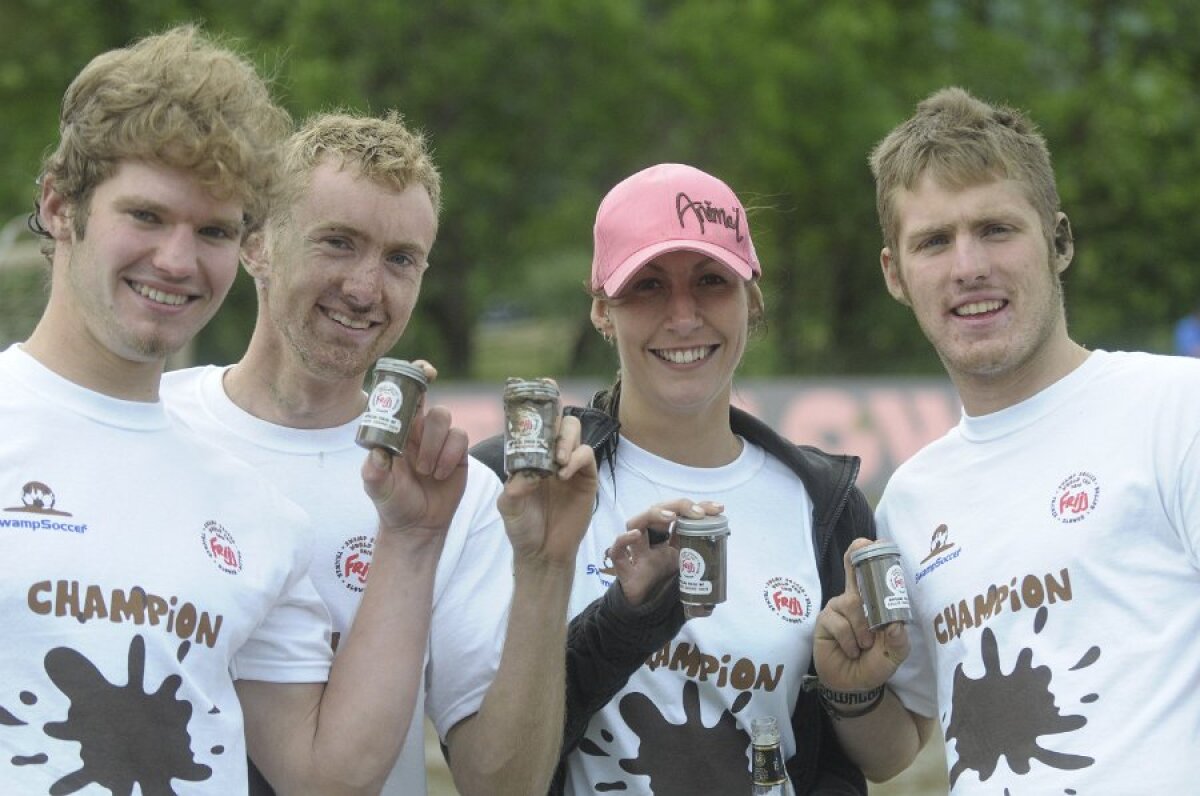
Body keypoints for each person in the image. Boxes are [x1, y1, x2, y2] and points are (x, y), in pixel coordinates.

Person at [0, 26, 597, 795]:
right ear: (58, 206)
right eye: (146, 216)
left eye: (211, 228)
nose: (178, 260)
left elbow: (332, 777)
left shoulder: (255, 510)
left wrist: (425, 542)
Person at [162, 109, 596, 795]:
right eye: (337, 242)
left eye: (400, 259)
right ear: (256, 243)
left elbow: (502, 784)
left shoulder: (455, 496)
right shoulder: (153, 426)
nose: (366, 289)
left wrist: (546, 568)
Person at [473, 163, 931, 794]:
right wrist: (624, 616)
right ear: (602, 311)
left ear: (753, 298)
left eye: (711, 281)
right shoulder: (522, 484)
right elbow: (486, 768)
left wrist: (850, 692)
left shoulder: (824, 502)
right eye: (648, 286)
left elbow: (879, 760)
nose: (683, 316)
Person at [865, 87, 1200, 793]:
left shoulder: (1177, 409)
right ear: (895, 274)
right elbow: (898, 744)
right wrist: (846, 687)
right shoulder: (908, 504)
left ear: (1059, 240)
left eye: (996, 229)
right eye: (933, 241)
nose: (968, 267)